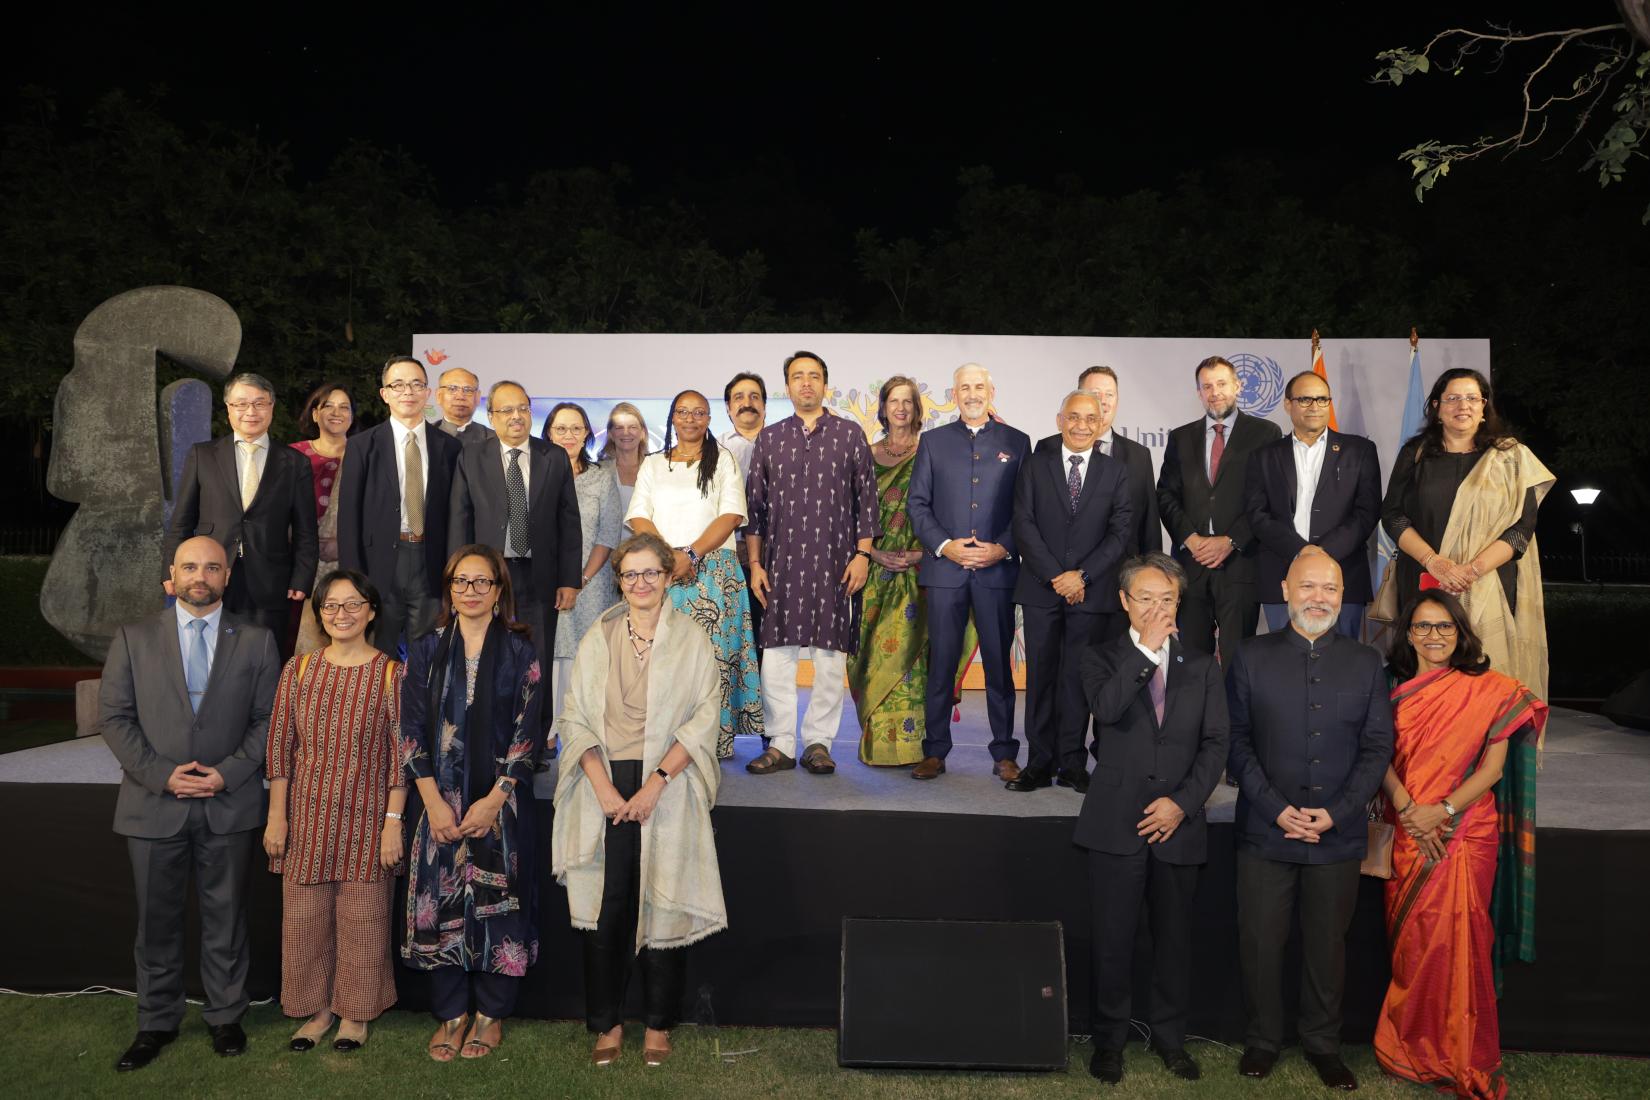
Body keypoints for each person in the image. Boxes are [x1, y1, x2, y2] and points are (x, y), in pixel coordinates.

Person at [100, 536, 281, 1071]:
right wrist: (162, 776)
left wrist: (226, 774)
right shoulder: (133, 638)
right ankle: (156, 1022)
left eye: (211, 567)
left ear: (227, 576)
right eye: (189, 566)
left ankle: (226, 1016)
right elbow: (114, 717)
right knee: (156, 921)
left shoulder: (257, 641)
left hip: (229, 804)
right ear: (170, 577)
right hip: (153, 805)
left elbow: (268, 720)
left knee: (225, 917)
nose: (199, 576)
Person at [552, 533, 728, 1068]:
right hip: (602, 782)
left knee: (663, 904)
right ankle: (606, 1025)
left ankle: (657, 1025)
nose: (641, 583)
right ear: (619, 581)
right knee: (607, 910)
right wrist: (603, 787)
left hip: (666, 783)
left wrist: (655, 784)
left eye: (652, 573)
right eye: (630, 575)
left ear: (669, 577)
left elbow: (703, 717)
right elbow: (575, 715)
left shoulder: (693, 640)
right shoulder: (597, 636)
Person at [1226, 548, 1394, 1090]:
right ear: (1285, 588)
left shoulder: (1367, 661)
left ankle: (1323, 1044)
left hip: (1337, 834)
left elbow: (1376, 748)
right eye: (1308, 587)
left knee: (1328, 946)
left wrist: (1336, 813)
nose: (1319, 598)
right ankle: (1262, 1040)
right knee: (1260, 943)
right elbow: (1236, 744)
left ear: (1343, 597)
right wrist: (1277, 811)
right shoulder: (1250, 656)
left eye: (1330, 589)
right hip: (1264, 834)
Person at [1373, 590, 1545, 1100]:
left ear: (1461, 632)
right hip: (1408, 829)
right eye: (1423, 627)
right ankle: (1410, 1042)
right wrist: (1410, 809)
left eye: (1445, 627)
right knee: (1415, 942)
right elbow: (1375, 753)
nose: (1434, 636)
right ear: (1408, 633)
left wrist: (1441, 812)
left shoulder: (1491, 690)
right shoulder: (1389, 687)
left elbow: (1493, 770)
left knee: (1463, 939)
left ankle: (1462, 1047)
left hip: (1466, 831)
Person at [1077, 552, 1227, 1085]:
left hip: (1178, 824)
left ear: (1180, 603)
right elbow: (1110, 710)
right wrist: (1146, 651)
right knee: (1113, 940)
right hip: (1115, 823)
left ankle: (1170, 1039)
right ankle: (1109, 1042)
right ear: (1124, 602)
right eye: (1146, 598)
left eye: (1167, 599)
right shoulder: (1099, 658)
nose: (1158, 608)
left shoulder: (1203, 666)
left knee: (1174, 942)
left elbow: (1215, 746)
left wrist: (1182, 804)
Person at [400, 544, 545, 1062]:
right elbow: (410, 731)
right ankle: (451, 1015)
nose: (471, 591)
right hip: (438, 801)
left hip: (498, 804)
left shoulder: (521, 650)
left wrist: (493, 800)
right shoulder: (425, 649)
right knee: (440, 903)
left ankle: (490, 1015)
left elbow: (528, 733)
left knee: (498, 906)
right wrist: (434, 804)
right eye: (461, 582)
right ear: (450, 589)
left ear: (499, 590)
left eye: (482, 582)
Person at [263, 568, 405, 1053]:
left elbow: (401, 757)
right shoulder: (298, 670)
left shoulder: (391, 674)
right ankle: (316, 1011)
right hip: (306, 818)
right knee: (305, 921)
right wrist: (276, 817)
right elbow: (280, 749)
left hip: (368, 821)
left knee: (363, 921)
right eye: (330, 606)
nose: (341, 614)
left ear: (371, 611)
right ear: (319, 614)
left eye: (351, 604)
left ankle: (355, 1015)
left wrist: (393, 823)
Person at [1379, 368, 1554, 698]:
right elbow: (1392, 515)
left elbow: (1522, 528)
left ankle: (1487, 747)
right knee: (1423, 674)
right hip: (1423, 578)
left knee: (1485, 683)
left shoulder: (1511, 458)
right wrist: (1434, 561)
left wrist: (1470, 571)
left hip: (1491, 583)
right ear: (1436, 407)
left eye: (1473, 398)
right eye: (1453, 398)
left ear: (1485, 406)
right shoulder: (1415, 454)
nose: (1464, 405)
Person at [744, 351, 879, 776]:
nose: (806, 383)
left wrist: (862, 556)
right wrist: (754, 564)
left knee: (829, 657)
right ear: (787, 387)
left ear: (825, 385)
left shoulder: (850, 435)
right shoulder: (770, 438)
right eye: (798, 377)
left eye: (814, 376)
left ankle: (819, 742)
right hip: (779, 565)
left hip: (837, 565)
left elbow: (867, 505)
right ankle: (781, 743)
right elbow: (755, 510)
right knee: (777, 657)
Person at [626, 388, 764, 758]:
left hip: (715, 573)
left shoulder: (723, 462)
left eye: (699, 412)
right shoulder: (654, 465)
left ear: (709, 419)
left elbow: (732, 515)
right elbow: (639, 515)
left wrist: (691, 553)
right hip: (661, 576)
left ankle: (711, 742)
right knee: (662, 659)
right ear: (672, 418)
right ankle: (662, 740)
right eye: (683, 412)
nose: (690, 419)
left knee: (713, 661)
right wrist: (669, 558)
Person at [906, 364, 1027, 780]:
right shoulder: (934, 442)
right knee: (940, 664)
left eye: (979, 386)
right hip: (945, 572)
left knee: (998, 666)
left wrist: (1002, 548)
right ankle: (935, 751)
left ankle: (1005, 754)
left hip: (996, 573)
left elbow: (1025, 510)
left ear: (991, 390)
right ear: (953, 393)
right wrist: (946, 547)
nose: (972, 393)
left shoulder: (1018, 441)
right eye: (964, 387)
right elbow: (917, 504)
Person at [1010, 390, 1133, 793]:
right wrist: (1056, 577)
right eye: (1074, 417)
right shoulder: (1034, 465)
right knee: (1042, 678)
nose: (1082, 425)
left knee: (1079, 680)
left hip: (1091, 592)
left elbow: (1119, 534)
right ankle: (1038, 763)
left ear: (1101, 424)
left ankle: (1072, 763)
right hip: (1043, 591)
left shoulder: (1115, 472)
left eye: (1090, 419)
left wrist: (1082, 576)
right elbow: (1023, 524)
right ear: (1060, 419)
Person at [848, 375, 970, 766]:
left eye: (908, 402)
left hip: (924, 573)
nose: (900, 408)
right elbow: (850, 515)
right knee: (868, 657)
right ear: (882, 408)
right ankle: (879, 746)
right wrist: (874, 554)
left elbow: (951, 510)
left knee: (919, 660)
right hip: (875, 575)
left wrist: (922, 554)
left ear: (919, 409)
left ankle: (921, 746)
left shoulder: (934, 452)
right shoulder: (864, 454)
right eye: (893, 401)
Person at [164, 371, 318, 658]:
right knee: (208, 655)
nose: (251, 411)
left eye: (260, 403)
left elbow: (305, 529)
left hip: (272, 578)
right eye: (241, 404)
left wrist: (302, 577)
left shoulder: (294, 462)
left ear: (271, 407)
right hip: (210, 574)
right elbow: (182, 520)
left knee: (266, 658)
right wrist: (170, 569)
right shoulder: (203, 455)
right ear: (229, 410)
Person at [449, 380, 582, 683]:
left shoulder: (554, 456)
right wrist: (460, 579)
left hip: (541, 575)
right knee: (487, 657)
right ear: (491, 415)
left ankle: (536, 728)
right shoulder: (471, 457)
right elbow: (460, 521)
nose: (516, 416)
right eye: (507, 410)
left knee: (538, 659)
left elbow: (569, 523)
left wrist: (569, 580)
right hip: (488, 577)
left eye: (523, 408)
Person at [1157, 355, 1281, 668]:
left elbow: (1270, 496)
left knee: (1239, 661)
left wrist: (1231, 540)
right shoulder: (1180, 437)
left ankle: (1234, 720)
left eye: (1222, 384)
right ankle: (1198, 718)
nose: (1215, 392)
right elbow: (1166, 494)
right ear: (1199, 392)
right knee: (1191, 661)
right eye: (1207, 386)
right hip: (1191, 565)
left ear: (1238, 386)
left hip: (1241, 564)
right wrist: (1190, 537)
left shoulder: (1266, 433)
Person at [337, 355, 461, 657]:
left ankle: (421, 706)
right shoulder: (361, 445)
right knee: (376, 650)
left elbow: (456, 514)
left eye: (416, 384)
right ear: (385, 394)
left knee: (429, 653)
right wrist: (353, 578)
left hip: (430, 563)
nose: (408, 391)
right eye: (399, 385)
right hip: (377, 564)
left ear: (428, 393)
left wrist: (455, 570)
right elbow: (349, 518)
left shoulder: (449, 447)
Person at [1246, 370, 1381, 639]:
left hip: (1343, 574)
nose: (1315, 407)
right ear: (1288, 404)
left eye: (1322, 400)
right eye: (1305, 399)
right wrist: (1301, 550)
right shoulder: (1264, 456)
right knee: (1286, 663)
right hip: (1281, 573)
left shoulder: (1359, 451)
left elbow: (1367, 512)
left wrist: (1322, 552)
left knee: (1342, 664)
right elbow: (1257, 514)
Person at [1035, 365, 1161, 641]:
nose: (1103, 400)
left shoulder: (1138, 455)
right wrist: (1068, 578)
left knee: (1111, 672)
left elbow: (1148, 522)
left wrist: (1153, 578)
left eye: (1110, 394)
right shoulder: (1046, 449)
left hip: (1120, 587)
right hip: (1062, 584)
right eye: (1094, 393)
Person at [545, 402, 625, 737]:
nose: (568, 435)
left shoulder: (602, 478)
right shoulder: (537, 475)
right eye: (561, 429)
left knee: (586, 656)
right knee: (548, 656)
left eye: (576, 428)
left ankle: (583, 731)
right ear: (548, 433)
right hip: (546, 584)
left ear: (587, 434)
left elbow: (608, 535)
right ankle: (546, 732)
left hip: (591, 582)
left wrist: (581, 580)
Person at [292, 381, 354, 655]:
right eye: (327, 405)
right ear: (314, 413)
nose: (336, 412)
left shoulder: (365, 455)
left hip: (351, 566)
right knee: (304, 645)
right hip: (301, 566)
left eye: (344, 407)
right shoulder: (292, 456)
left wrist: (345, 543)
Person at [721, 371, 768, 659]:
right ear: (728, 407)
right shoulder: (714, 448)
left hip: (773, 556)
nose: (746, 403)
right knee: (731, 638)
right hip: (727, 554)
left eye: (754, 397)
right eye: (738, 397)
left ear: (765, 405)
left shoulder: (783, 443)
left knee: (766, 641)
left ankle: (761, 703)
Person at [600, 401, 650, 528]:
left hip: (647, 546)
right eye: (619, 427)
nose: (626, 433)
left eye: (632, 427)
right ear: (611, 434)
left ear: (643, 432)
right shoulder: (598, 472)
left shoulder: (655, 470)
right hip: (606, 547)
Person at [431, 366, 496, 445]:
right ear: (439, 396)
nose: (460, 397)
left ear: (478, 397)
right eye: (452, 389)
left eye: (467, 390)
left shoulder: (494, 439)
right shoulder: (425, 436)